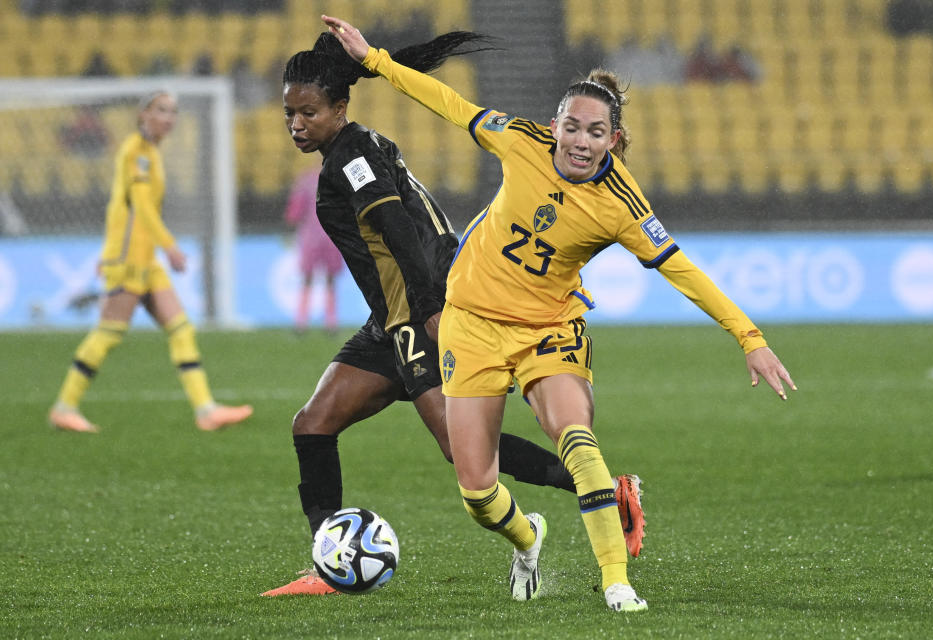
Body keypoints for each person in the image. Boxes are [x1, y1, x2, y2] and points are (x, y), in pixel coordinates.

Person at [325, 14, 797, 613]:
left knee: (576, 437)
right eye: (571, 127)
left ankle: (616, 582)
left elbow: (682, 270)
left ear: (614, 140)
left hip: (549, 331)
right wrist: (375, 60)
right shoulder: (521, 140)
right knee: (476, 491)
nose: (580, 141)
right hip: (470, 324)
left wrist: (748, 336)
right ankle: (528, 539)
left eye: (595, 132)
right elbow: (448, 101)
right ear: (555, 127)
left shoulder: (622, 203)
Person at [260, 30, 645, 597]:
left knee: (463, 451)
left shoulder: (354, 156)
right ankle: (328, 561)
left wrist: (430, 307)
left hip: (420, 309)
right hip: (389, 319)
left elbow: (397, 230)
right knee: (312, 425)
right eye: (289, 113)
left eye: (307, 112)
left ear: (338, 108)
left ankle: (608, 493)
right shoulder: (350, 150)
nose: (296, 123)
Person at [48, 91, 253, 434]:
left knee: (181, 329)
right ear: (143, 114)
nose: (168, 118)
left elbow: (122, 208)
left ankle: (205, 410)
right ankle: (64, 406)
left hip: (146, 260)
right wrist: (170, 246)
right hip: (128, 259)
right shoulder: (136, 152)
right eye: (161, 110)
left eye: (173, 112)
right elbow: (140, 207)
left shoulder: (150, 152)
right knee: (109, 333)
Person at [283, 163, 345, 332]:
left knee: (307, 278)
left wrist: (290, 228)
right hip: (332, 235)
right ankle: (331, 322)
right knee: (330, 279)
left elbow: (294, 212)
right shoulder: (338, 180)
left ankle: (301, 322)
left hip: (311, 235)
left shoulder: (305, 181)